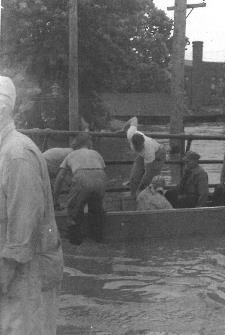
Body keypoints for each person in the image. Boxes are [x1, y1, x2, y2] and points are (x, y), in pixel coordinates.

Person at [0, 76, 63, 334]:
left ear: (2, 110)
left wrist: (3, 277)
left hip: (26, 272)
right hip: (17, 270)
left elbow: (23, 231)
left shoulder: (16, 155)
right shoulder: (5, 151)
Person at [53, 132, 106, 245]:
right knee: (96, 209)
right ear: (89, 143)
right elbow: (102, 169)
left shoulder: (71, 155)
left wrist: (55, 200)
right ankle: (98, 238)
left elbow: (60, 178)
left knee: (74, 210)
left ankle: (75, 241)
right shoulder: (96, 153)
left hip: (82, 177)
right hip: (100, 177)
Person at [123, 116, 166, 197]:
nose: (140, 148)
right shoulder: (130, 134)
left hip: (158, 154)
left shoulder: (147, 150)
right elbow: (134, 119)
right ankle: (134, 199)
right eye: (138, 147)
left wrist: (140, 188)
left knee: (150, 182)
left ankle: (148, 202)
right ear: (132, 143)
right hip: (142, 155)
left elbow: (148, 174)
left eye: (141, 146)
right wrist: (123, 128)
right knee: (133, 179)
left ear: (143, 143)